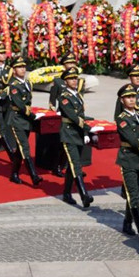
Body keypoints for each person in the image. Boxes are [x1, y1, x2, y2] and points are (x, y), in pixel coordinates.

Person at [115, 84, 139, 240]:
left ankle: (127, 223)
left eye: (133, 97)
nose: (131, 100)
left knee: (133, 193)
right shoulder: (122, 119)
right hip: (128, 159)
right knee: (134, 195)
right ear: (122, 100)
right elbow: (131, 139)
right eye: (128, 97)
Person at [58, 67, 93, 208]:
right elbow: (73, 116)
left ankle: (66, 193)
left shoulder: (77, 95)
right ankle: (84, 195)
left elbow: (81, 115)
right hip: (68, 134)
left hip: (77, 133)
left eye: (75, 78)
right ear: (65, 81)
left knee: (72, 164)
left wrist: (84, 133)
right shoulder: (64, 96)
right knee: (75, 164)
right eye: (71, 78)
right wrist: (87, 128)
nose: (74, 80)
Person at [6, 56, 42, 186]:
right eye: (19, 67)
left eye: (23, 67)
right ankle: (34, 176)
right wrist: (31, 114)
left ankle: (14, 174)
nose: (23, 69)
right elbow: (19, 104)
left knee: (20, 149)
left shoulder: (27, 83)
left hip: (26, 120)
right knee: (25, 147)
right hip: (17, 119)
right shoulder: (13, 85)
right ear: (14, 70)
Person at [49, 53, 84, 177]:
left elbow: (80, 98)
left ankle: (74, 166)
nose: (71, 65)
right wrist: (53, 111)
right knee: (63, 144)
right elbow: (52, 99)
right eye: (69, 63)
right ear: (64, 65)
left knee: (77, 142)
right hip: (63, 114)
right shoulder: (58, 81)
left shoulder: (79, 81)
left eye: (73, 63)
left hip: (76, 114)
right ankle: (58, 166)